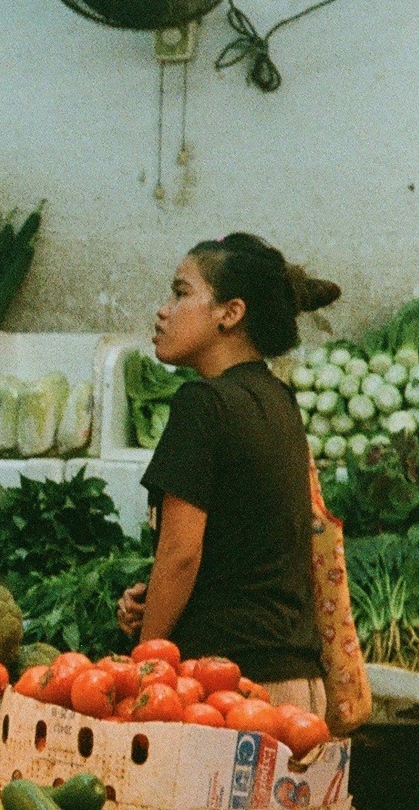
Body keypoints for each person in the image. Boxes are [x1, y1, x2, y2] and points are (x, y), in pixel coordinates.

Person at [117, 234, 339, 708]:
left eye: (180, 293)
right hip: (296, 682)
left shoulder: (202, 403)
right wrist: (156, 598)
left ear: (230, 313)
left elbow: (180, 555)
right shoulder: (279, 400)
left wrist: (145, 664)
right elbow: (247, 547)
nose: (163, 311)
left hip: (230, 690)